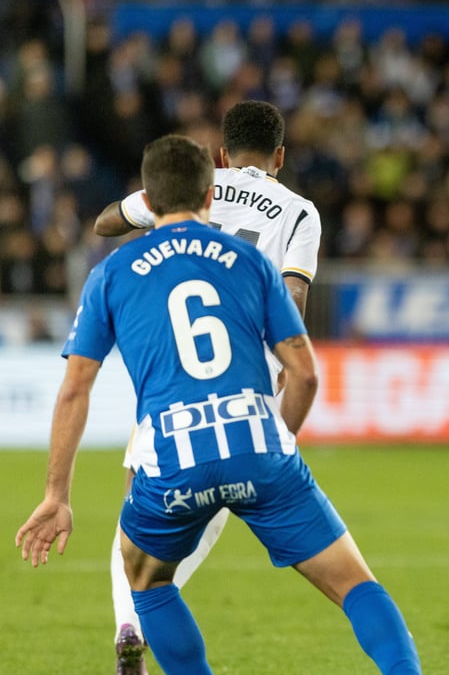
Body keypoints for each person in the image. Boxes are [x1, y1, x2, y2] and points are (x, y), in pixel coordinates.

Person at [14, 134, 420, 675]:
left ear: (149, 202)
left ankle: (134, 634)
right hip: (257, 441)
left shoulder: (111, 274)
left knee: (146, 580)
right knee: (355, 584)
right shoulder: (250, 261)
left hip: (172, 454)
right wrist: (279, 442)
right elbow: (303, 374)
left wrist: (55, 494)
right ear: (210, 196)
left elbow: (73, 390)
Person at [93, 99, 322, 674]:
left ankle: (128, 621)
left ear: (220, 153)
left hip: (171, 382)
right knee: (209, 522)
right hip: (246, 393)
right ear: (280, 156)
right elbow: (293, 298)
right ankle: (140, 620)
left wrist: (149, 208)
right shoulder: (298, 211)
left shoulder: (191, 187)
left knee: (137, 519)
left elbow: (102, 224)